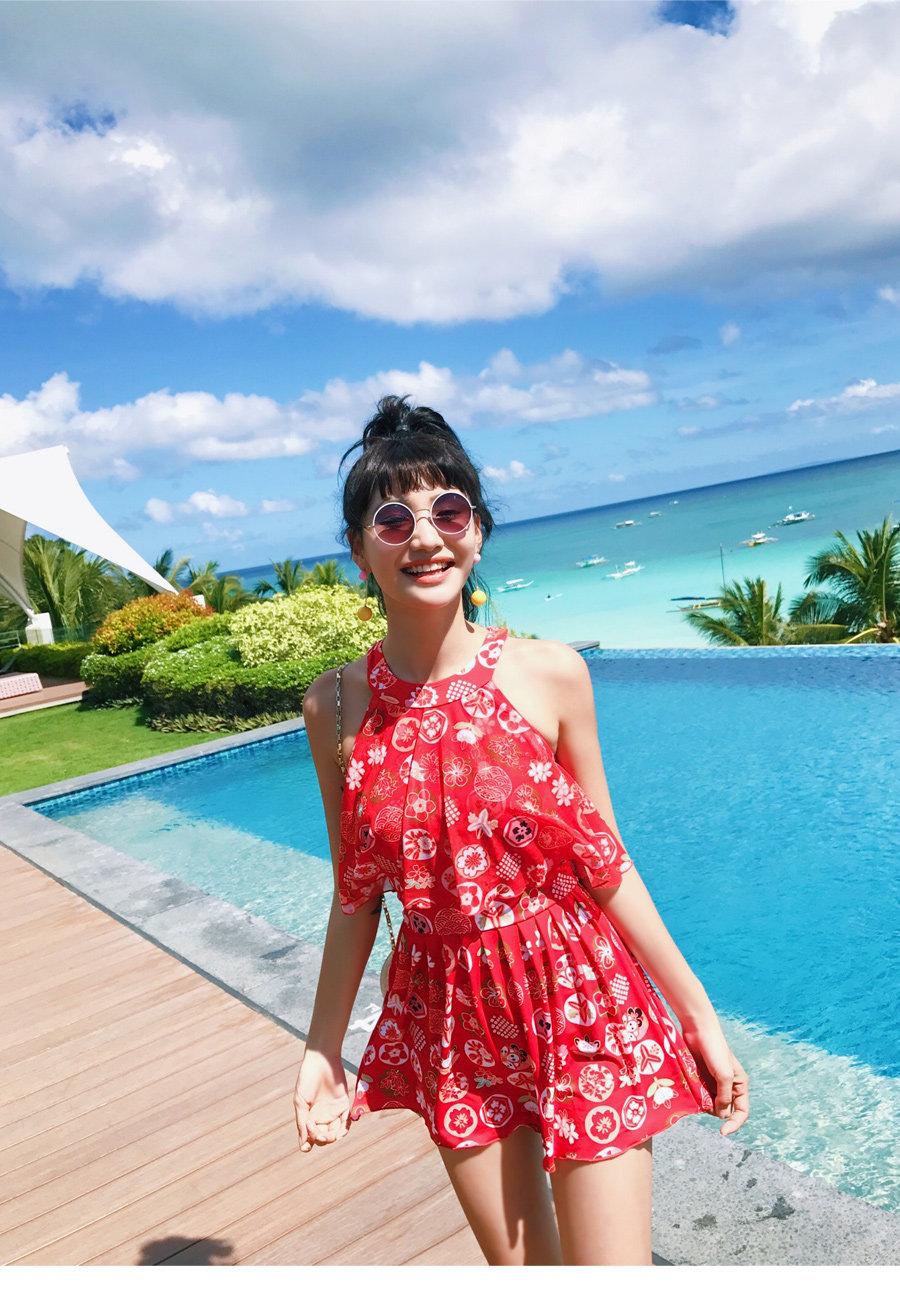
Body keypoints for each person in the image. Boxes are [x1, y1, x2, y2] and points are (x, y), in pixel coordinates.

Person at [294, 395, 749, 1266]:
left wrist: (700, 1016)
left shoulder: (551, 674)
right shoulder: (335, 707)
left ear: (477, 532)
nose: (425, 538)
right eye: (393, 520)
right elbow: (355, 894)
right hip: (448, 1012)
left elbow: (606, 862)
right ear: (359, 550)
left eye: (448, 512)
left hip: (579, 994)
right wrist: (322, 1048)